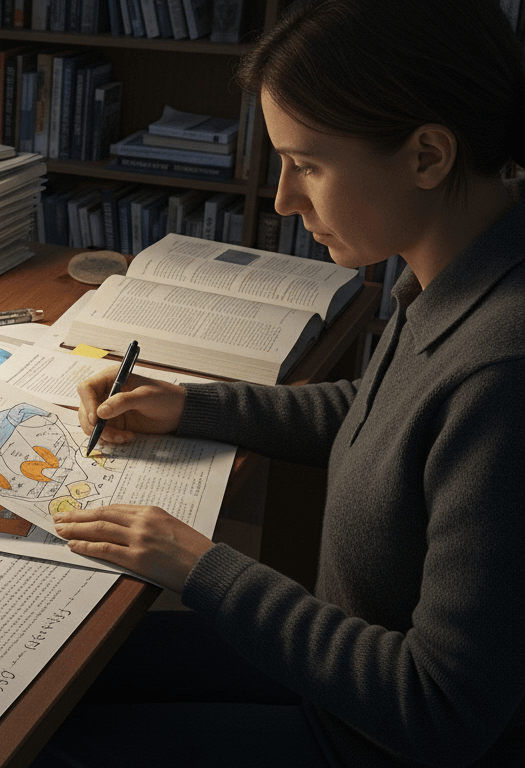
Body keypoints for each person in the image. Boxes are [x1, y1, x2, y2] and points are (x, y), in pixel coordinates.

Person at [35, 0, 525, 765]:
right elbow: (384, 413)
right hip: (345, 673)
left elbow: (442, 713)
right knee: (49, 675)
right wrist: (192, 405)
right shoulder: (459, 270)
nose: (284, 200)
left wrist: (201, 566)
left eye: (308, 165)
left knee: (41, 746)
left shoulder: (506, 371)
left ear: (428, 156)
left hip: (379, 734)